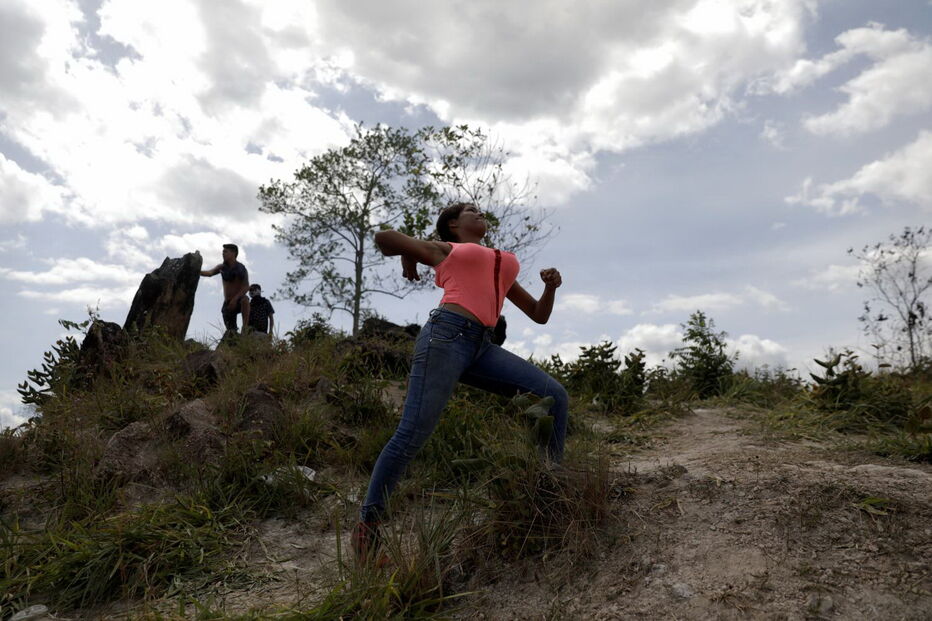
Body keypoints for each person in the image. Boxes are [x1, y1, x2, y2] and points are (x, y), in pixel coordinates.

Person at [352, 202, 568, 562]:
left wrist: (551, 288)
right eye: (469, 209)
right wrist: (411, 255)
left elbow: (538, 315)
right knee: (412, 434)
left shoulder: (498, 261)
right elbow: (384, 238)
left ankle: (549, 488)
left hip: (482, 346)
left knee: (553, 394)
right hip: (446, 338)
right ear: (453, 225)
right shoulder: (447, 250)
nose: (478, 211)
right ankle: (367, 529)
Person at [200, 244, 251, 334]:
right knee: (231, 331)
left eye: (225, 252)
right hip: (227, 303)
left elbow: (246, 286)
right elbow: (209, 273)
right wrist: (196, 270)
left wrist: (235, 299)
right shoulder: (222, 267)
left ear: (233, 253)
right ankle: (235, 340)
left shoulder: (241, 268)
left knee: (245, 300)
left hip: (238, 300)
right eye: (223, 252)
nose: (223, 254)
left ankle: (245, 328)